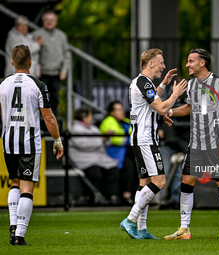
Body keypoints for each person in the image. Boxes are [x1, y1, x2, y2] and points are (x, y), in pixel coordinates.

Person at [163, 48, 219, 240]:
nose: (187, 65)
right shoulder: (192, 85)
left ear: (202, 63)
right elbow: (188, 108)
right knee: (186, 183)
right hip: (196, 145)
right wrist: (167, 112)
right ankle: (184, 229)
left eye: (191, 61)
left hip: (216, 143)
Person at [120, 48, 187, 239]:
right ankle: (130, 220)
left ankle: (141, 229)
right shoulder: (143, 82)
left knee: (145, 183)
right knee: (160, 182)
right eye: (161, 62)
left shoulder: (142, 82)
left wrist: (164, 84)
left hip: (140, 138)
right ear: (151, 63)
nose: (163, 66)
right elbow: (161, 106)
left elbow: (152, 102)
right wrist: (175, 94)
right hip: (146, 140)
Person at [0, 45, 63, 246]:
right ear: (30, 62)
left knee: (14, 183)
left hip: (8, 140)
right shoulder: (38, 85)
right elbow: (49, 118)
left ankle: (12, 225)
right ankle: (19, 235)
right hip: (28, 141)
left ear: (12, 62)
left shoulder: (2, 84)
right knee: (28, 188)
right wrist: (57, 140)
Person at [69, 106, 120, 205]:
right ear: (84, 117)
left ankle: (110, 197)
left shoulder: (94, 128)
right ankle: (94, 199)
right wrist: (102, 139)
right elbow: (82, 144)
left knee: (113, 169)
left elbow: (103, 144)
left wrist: (105, 139)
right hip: (83, 159)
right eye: (90, 115)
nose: (92, 117)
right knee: (95, 173)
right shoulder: (75, 128)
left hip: (98, 157)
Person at [33, 10, 71, 116]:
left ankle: (52, 124)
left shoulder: (62, 35)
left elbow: (67, 54)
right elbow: (30, 52)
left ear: (56, 21)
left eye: (52, 20)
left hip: (56, 73)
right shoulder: (36, 34)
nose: (49, 22)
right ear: (43, 21)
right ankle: (40, 125)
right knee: (40, 100)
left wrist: (64, 70)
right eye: (47, 20)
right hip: (41, 74)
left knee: (55, 100)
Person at [100, 101, 137, 205]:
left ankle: (134, 195)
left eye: (122, 109)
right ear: (112, 112)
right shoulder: (108, 121)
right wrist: (131, 140)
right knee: (128, 166)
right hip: (113, 153)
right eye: (118, 109)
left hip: (128, 151)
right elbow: (116, 140)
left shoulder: (126, 121)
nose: (122, 112)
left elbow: (136, 133)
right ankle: (126, 195)